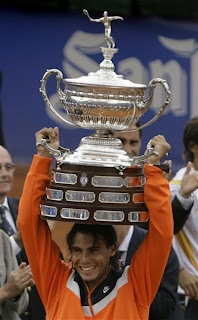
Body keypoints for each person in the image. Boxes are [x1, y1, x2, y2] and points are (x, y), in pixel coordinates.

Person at [18, 126, 173, 319]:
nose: (84, 260)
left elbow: (162, 234)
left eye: (93, 250)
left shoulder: (135, 285)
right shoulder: (56, 282)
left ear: (112, 249)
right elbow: (28, 224)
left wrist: (153, 168)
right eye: (77, 251)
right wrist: (43, 157)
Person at [112, 126, 191, 319]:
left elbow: (162, 229)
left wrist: (181, 195)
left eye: (133, 142)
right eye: (121, 141)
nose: (128, 149)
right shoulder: (94, 179)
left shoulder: (153, 176)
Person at [0, 145, 46, 319]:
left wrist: (16, 292)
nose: (5, 173)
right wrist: (17, 241)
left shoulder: (24, 209)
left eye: (9, 167)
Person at [170, 116, 198, 320]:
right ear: (193, 146)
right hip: (192, 295)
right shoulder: (178, 186)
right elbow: (163, 232)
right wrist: (179, 271)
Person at [0, 228, 33, 320]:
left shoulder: (2, 238)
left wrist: (17, 289)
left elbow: (21, 307)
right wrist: (6, 291)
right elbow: (8, 290)